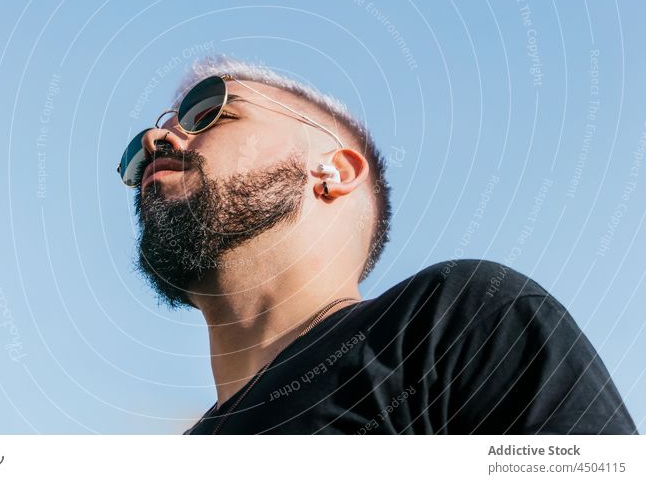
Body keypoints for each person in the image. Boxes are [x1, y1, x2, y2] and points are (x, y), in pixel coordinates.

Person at [115, 55, 637, 434]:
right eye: (137, 163)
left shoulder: (454, 323)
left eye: (209, 112)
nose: (156, 140)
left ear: (334, 171)